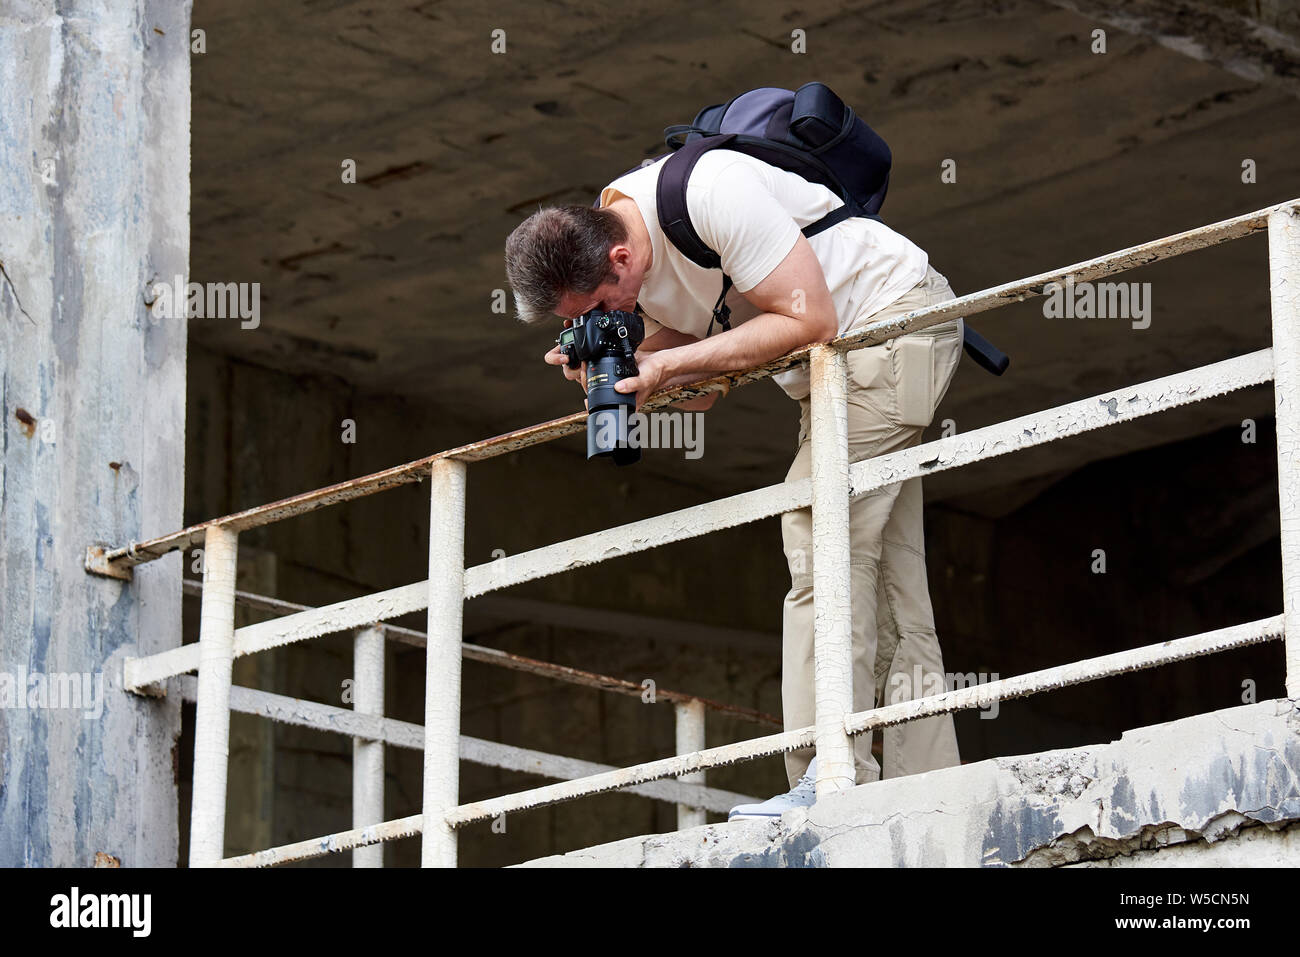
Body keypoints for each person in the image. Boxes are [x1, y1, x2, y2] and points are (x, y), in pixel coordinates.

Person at [504, 147, 963, 820]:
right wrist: (626, 370)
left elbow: (811, 321)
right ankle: (926, 783)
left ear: (619, 259)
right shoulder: (631, 262)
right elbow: (706, 392)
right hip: (841, 368)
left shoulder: (710, 193)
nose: (596, 316)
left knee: (815, 529)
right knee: (890, 575)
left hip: (894, 325)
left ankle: (828, 778)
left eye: (597, 305)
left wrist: (665, 363)